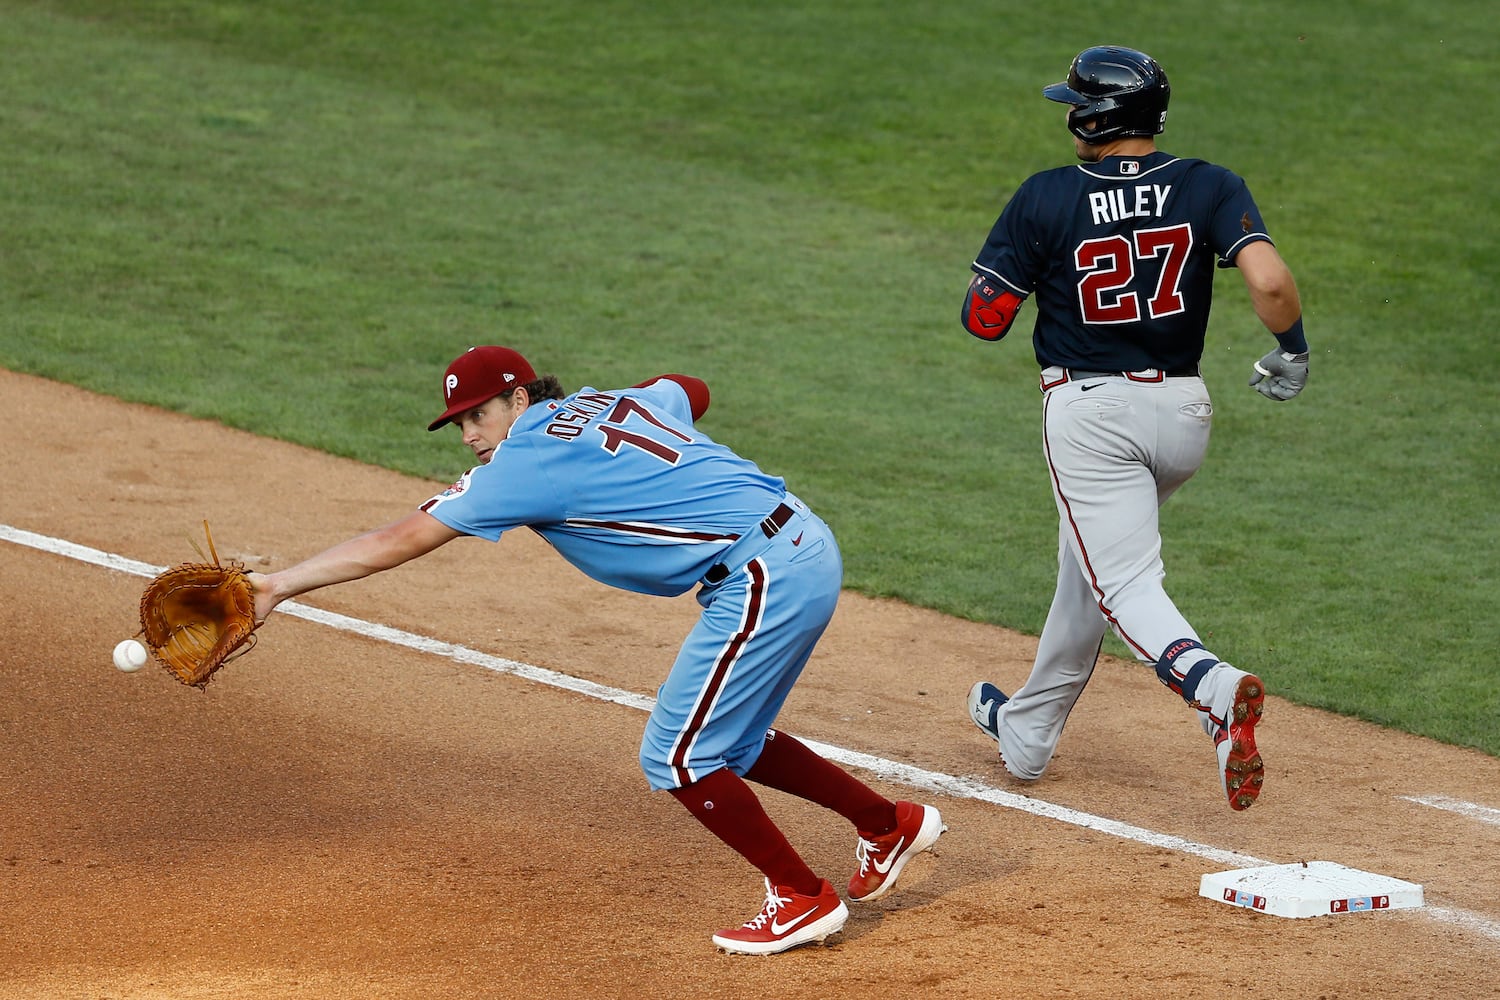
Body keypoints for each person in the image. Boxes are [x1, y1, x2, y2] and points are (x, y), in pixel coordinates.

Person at [247, 345, 945, 954]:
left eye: (478, 416)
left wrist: (278, 585)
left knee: (676, 756)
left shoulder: (521, 464)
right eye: (458, 424)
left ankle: (801, 897)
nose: (467, 436)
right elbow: (686, 387)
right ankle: (888, 826)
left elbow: (394, 542)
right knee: (729, 741)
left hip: (762, 576)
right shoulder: (606, 402)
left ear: (519, 398)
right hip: (805, 546)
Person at [959, 46, 1309, 811]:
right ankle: (1028, 730)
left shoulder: (1047, 195)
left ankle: (1211, 688)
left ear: (1093, 117)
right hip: (1184, 416)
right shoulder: (1211, 184)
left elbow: (984, 320)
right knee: (1086, 564)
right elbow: (1272, 281)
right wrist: (1293, 352)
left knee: (1121, 582)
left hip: (1092, 417)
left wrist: (1015, 268)